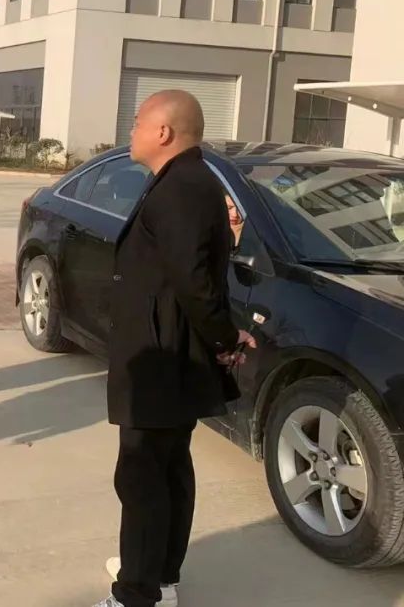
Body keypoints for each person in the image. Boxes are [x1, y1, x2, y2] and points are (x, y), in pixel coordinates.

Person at [94, 90, 256, 607]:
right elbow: (195, 267)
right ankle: (157, 574)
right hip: (167, 352)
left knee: (143, 476)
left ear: (163, 132)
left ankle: (136, 593)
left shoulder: (182, 186)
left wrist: (224, 338)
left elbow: (194, 281)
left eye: (138, 123)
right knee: (165, 469)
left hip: (162, 359)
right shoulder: (186, 180)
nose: (132, 130)